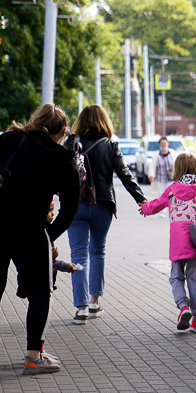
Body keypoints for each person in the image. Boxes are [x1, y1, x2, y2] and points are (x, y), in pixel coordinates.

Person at [0, 104, 80, 375]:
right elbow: (70, 209)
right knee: (40, 293)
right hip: (30, 230)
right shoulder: (65, 159)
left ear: (36, 120)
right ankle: (33, 357)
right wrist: (48, 234)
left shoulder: (13, 138)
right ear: (63, 131)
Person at [66, 105, 146, 325]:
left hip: (76, 205)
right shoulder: (110, 145)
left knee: (78, 254)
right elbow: (125, 175)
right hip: (103, 204)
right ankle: (94, 302)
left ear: (81, 121)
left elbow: (57, 172)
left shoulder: (71, 143)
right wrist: (141, 200)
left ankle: (80, 307)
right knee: (98, 251)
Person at [139, 152, 196, 333]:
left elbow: (156, 205)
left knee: (176, 277)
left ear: (177, 169)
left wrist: (144, 207)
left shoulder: (172, 190)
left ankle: (183, 307)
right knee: (194, 279)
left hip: (178, 243)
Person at [15, 200, 82, 363]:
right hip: (36, 285)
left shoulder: (46, 234)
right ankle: (35, 353)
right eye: (50, 211)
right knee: (40, 316)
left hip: (44, 284)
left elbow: (53, 263)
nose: (53, 215)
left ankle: (40, 350)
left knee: (42, 320)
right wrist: (51, 256)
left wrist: (66, 266)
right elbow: (36, 260)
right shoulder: (35, 234)